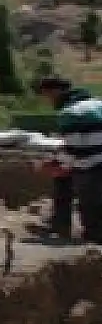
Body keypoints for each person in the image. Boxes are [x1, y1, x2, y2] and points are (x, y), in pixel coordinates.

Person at [37, 75, 102, 244]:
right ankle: (60, 225)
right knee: (64, 180)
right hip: (94, 158)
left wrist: (54, 163)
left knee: (91, 208)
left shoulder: (70, 113)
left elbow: (77, 150)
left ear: (56, 92)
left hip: (94, 165)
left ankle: (93, 246)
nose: (48, 101)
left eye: (48, 96)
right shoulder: (97, 103)